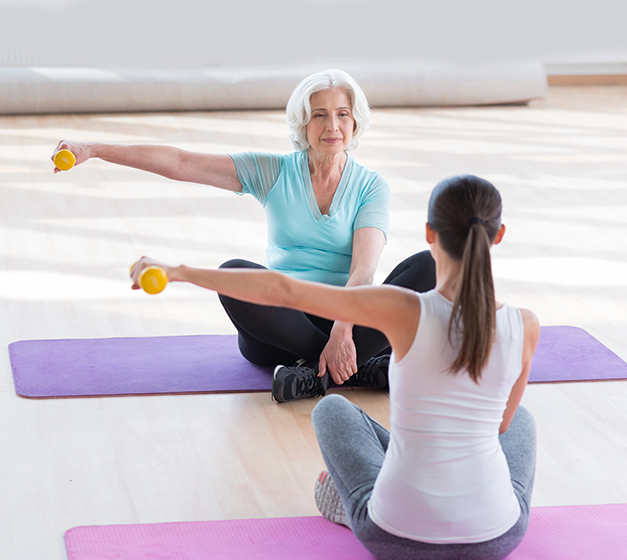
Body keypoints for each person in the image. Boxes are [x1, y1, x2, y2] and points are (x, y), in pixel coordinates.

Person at [130, 175, 539, 560]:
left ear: (429, 233)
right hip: (495, 538)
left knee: (332, 409)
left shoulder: (404, 311)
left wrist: (176, 271)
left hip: (390, 535)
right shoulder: (525, 325)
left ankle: (353, 501)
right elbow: (500, 426)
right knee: (520, 419)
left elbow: (282, 290)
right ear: (498, 235)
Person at [54, 69, 435, 402]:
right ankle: (359, 366)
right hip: (280, 327)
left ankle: (313, 377)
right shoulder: (273, 172)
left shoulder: (370, 186)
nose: (332, 126)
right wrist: (95, 149)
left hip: (349, 318)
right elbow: (183, 163)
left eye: (342, 115)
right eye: (320, 115)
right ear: (303, 123)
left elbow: (363, 274)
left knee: (431, 264)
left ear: (355, 124)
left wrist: (342, 331)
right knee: (233, 272)